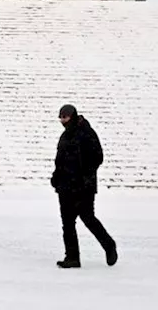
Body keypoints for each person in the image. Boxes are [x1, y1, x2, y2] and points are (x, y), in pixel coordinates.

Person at [51, 104, 117, 268]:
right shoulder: (65, 136)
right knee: (67, 222)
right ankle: (72, 257)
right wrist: (56, 176)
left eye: (65, 117)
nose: (62, 120)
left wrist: (84, 175)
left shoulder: (86, 133)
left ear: (72, 116)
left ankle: (109, 245)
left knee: (88, 218)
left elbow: (97, 157)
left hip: (83, 187)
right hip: (65, 186)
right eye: (61, 117)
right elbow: (60, 160)